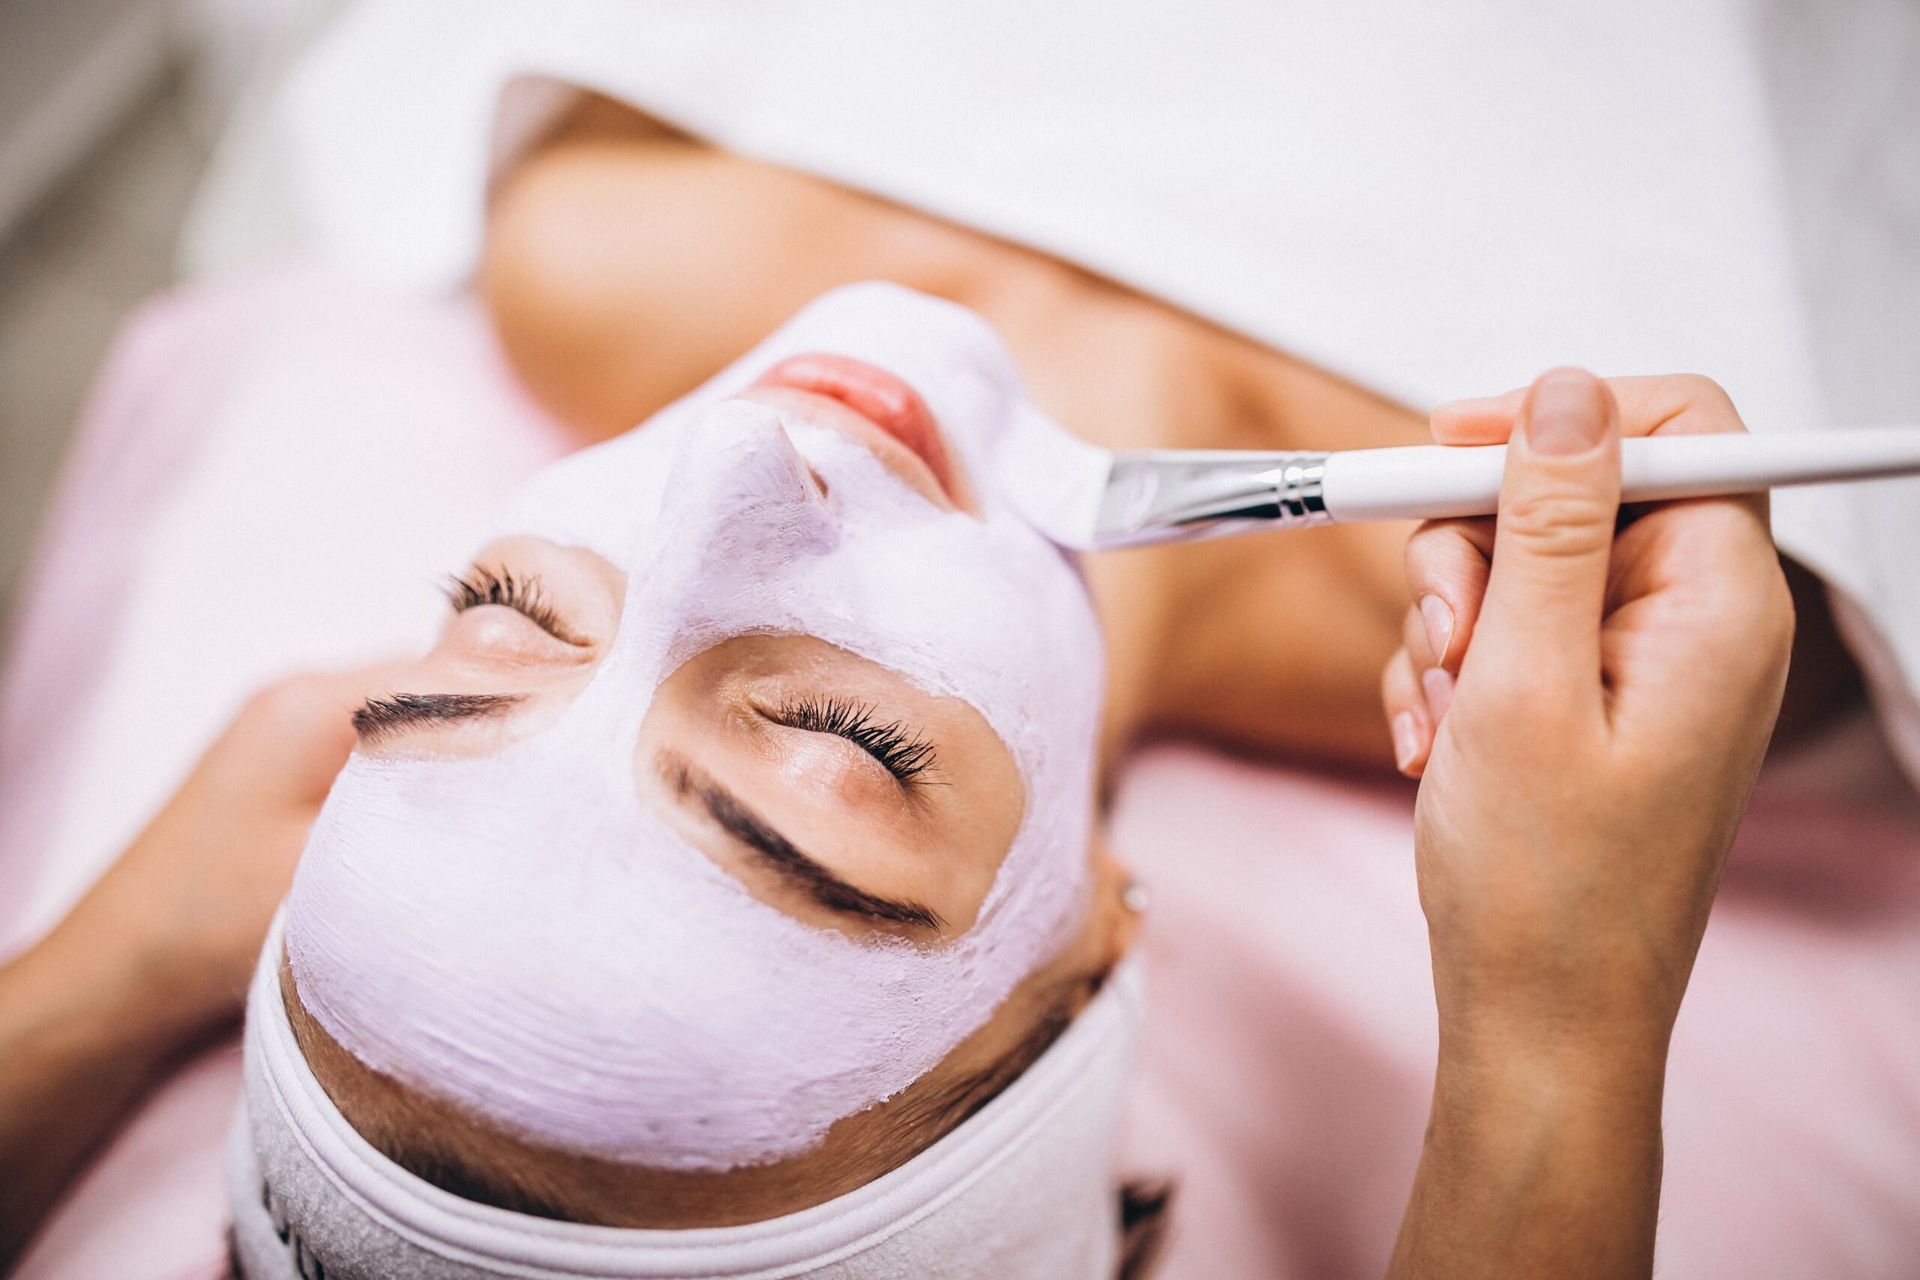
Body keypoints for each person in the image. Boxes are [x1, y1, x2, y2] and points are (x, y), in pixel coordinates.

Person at [1, 251, 1792, 1277]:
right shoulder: (1714, 611)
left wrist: (100, 976)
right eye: (841, 756)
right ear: (1096, 941)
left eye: (498, 622)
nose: (730, 462)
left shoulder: (589, 254)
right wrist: (1559, 1024)